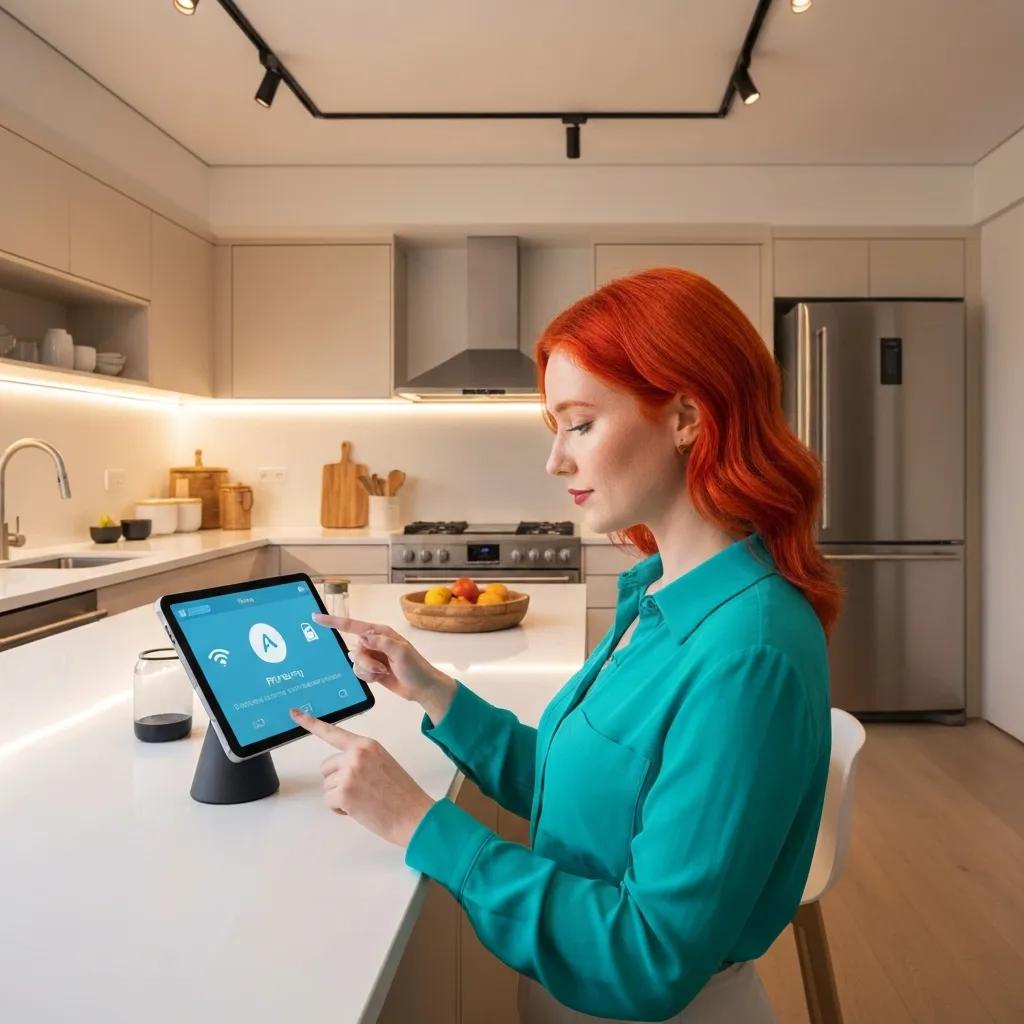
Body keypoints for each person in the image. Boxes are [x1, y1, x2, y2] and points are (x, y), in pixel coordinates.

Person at [291, 267, 842, 1022]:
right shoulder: (655, 597)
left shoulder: (749, 650)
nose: (556, 461)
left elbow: (648, 958)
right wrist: (433, 691)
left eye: (580, 423)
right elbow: (582, 793)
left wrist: (421, 825)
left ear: (686, 415)